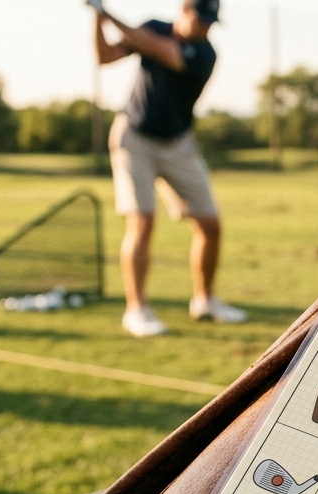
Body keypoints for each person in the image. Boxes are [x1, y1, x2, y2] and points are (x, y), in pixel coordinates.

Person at [91, 0, 246, 337]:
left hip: (178, 143)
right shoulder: (153, 28)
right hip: (135, 138)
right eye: (201, 19)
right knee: (142, 222)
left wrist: (107, 12)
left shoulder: (204, 54)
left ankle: (205, 301)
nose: (205, 28)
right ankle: (137, 310)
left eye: (210, 22)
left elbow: (159, 50)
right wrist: (97, 20)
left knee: (210, 224)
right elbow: (105, 57)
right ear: (184, 10)